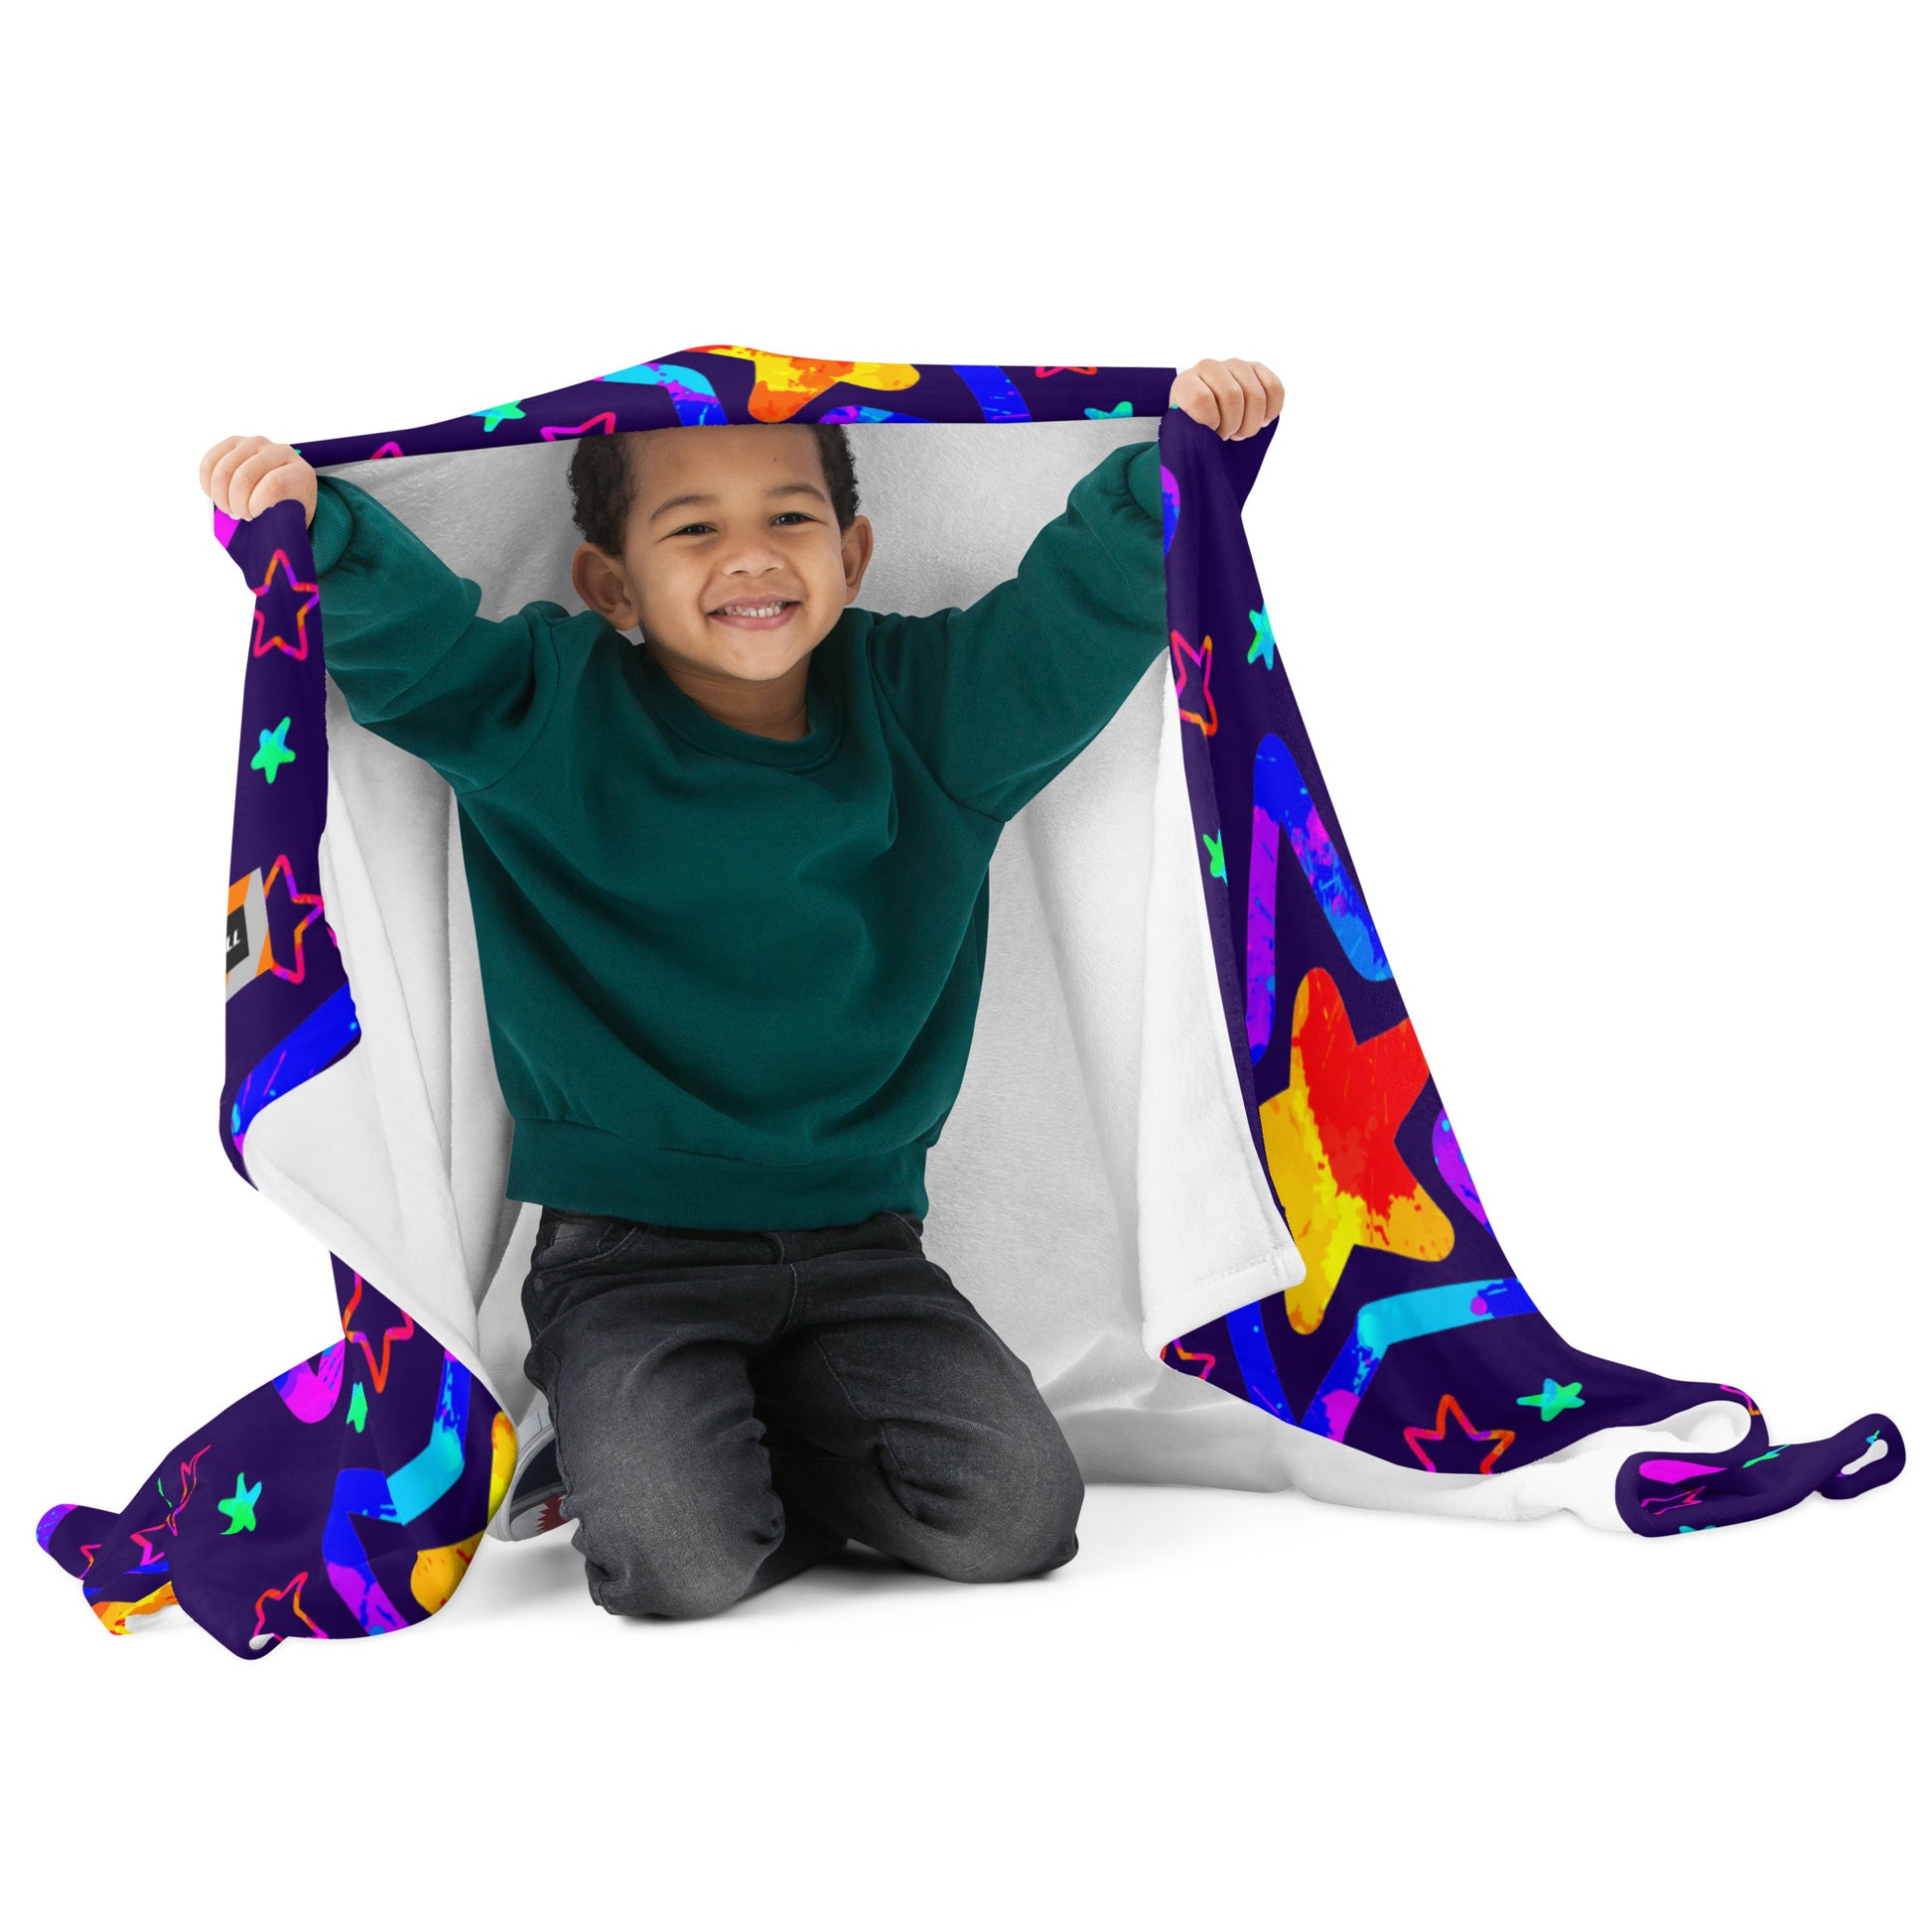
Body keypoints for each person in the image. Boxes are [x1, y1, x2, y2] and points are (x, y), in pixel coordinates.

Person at [199, 356, 1285, 1620]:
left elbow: (1073, 621)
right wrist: (310, 527)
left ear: (853, 552)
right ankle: (629, 1438)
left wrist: (1180, 472)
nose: (752, 556)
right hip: (625, 1257)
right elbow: (418, 653)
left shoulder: (927, 712)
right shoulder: (549, 715)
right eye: (693, 528)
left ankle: (730, 1429)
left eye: (788, 519)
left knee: (1016, 1517)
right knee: (679, 1563)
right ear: (609, 582)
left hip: (863, 1246)